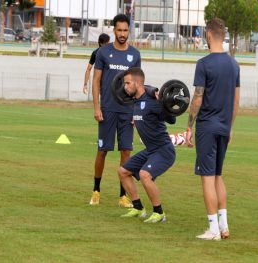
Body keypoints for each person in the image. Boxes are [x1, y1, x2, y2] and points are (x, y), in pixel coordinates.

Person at [186, 17, 240, 240]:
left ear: (208, 35)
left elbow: (198, 98)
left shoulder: (204, 63)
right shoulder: (234, 64)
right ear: (224, 35)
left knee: (207, 177)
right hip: (223, 127)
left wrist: (189, 126)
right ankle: (224, 225)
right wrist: (230, 127)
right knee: (218, 175)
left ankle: (213, 229)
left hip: (207, 127)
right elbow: (236, 100)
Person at [89, 14, 141, 207]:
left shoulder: (135, 55)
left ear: (129, 31)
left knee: (126, 152)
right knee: (102, 150)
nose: (122, 34)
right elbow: (96, 81)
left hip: (127, 111)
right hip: (107, 110)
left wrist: (136, 112)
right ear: (113, 30)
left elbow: (138, 85)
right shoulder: (103, 53)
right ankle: (96, 190)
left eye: (125, 30)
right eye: (119, 30)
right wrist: (96, 107)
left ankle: (123, 196)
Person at [118, 67, 176, 223]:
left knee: (145, 175)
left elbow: (172, 120)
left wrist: (163, 103)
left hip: (164, 150)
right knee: (123, 171)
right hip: (150, 150)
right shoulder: (136, 101)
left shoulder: (153, 101)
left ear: (137, 83)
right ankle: (138, 208)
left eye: (128, 83)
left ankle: (159, 213)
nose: (125, 86)